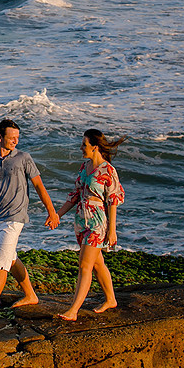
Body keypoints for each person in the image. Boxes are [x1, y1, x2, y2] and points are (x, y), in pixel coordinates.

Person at [0, 118, 59, 329]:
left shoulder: (24, 158)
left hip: (15, 219)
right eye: (11, 138)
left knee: (1, 263)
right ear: (0, 137)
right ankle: (30, 294)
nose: (15, 141)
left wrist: (52, 212)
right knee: (11, 258)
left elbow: (39, 186)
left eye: (17, 138)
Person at [55, 128, 126, 321]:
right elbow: (75, 195)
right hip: (81, 221)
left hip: (97, 223)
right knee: (97, 263)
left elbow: (113, 201)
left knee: (84, 265)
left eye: (84, 145)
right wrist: (57, 215)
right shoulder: (84, 167)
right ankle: (111, 299)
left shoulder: (108, 171)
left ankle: (74, 310)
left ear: (95, 147)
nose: (81, 148)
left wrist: (112, 231)